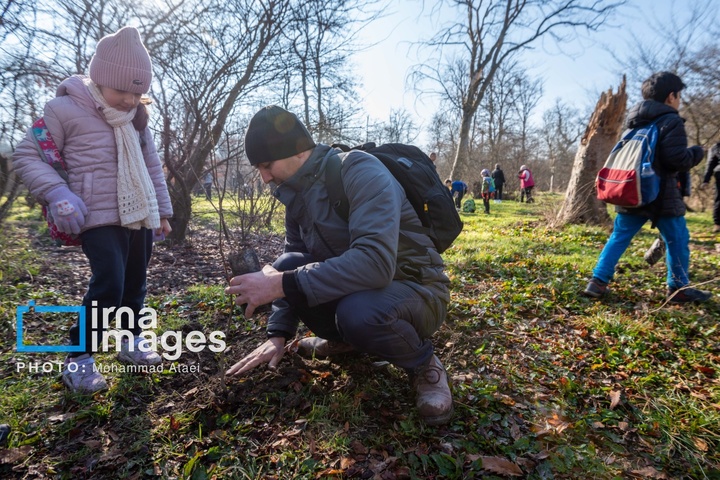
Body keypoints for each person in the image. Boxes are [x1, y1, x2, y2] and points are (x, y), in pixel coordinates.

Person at [224, 106, 453, 426]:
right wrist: (278, 333)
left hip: (418, 291)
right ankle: (349, 341)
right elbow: (292, 264)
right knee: (288, 263)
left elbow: (375, 264)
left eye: (266, 165)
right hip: (366, 291)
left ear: (295, 152)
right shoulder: (296, 196)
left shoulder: (360, 170)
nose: (264, 177)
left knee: (357, 312)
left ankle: (424, 363)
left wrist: (279, 285)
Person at [12, 26, 174, 392]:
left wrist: (162, 211)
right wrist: (56, 194)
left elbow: (151, 165)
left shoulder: (137, 118)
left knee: (135, 283)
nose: (132, 100)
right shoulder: (63, 109)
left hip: (140, 214)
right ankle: (78, 358)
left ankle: (131, 342)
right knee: (109, 285)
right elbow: (27, 154)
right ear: (101, 79)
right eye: (124, 91)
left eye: (139, 92)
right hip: (96, 215)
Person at [583, 71, 710, 304]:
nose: (679, 100)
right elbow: (677, 160)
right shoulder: (671, 121)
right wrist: (697, 153)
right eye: (679, 95)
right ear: (671, 96)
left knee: (619, 237)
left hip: (631, 189)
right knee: (678, 239)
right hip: (661, 195)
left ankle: (597, 282)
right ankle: (678, 288)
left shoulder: (633, 122)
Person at [701, 142, 720, 233]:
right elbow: (710, 163)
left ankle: (717, 224)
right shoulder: (716, 146)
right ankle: (717, 224)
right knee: (719, 199)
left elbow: (710, 163)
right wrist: (706, 180)